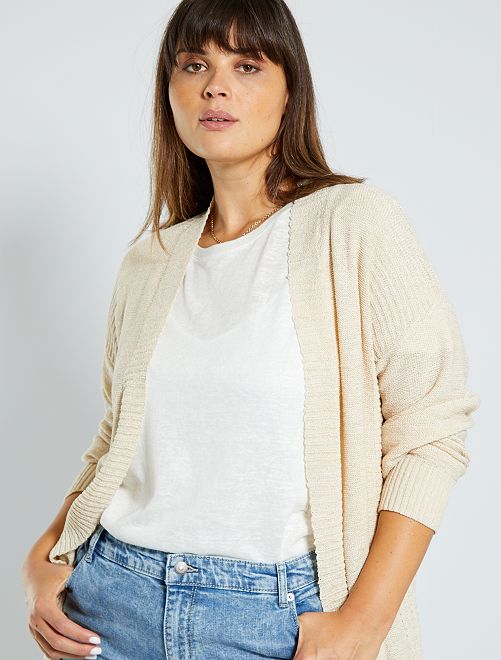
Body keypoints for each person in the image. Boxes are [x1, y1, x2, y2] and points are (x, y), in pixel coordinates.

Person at [21, 1, 480, 659]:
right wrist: (41, 559)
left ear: (291, 91)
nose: (215, 86)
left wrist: (364, 624)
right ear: (170, 91)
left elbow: (428, 431)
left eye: (247, 65)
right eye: (194, 65)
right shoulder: (149, 261)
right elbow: (115, 439)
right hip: (112, 603)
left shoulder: (354, 225)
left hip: (280, 619)